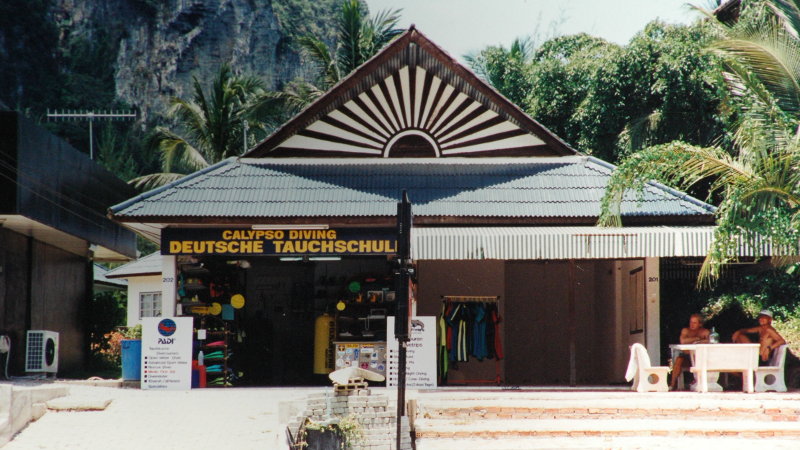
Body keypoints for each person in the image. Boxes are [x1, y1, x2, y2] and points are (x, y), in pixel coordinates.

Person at [670, 313, 710, 391]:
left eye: (694, 323)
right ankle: (672, 384)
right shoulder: (686, 331)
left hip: (700, 358)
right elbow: (683, 341)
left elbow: (709, 341)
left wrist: (693, 340)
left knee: (699, 358)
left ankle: (699, 381)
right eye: (691, 322)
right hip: (687, 356)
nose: (692, 324)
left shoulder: (705, 332)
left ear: (700, 324)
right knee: (679, 360)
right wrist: (698, 338)